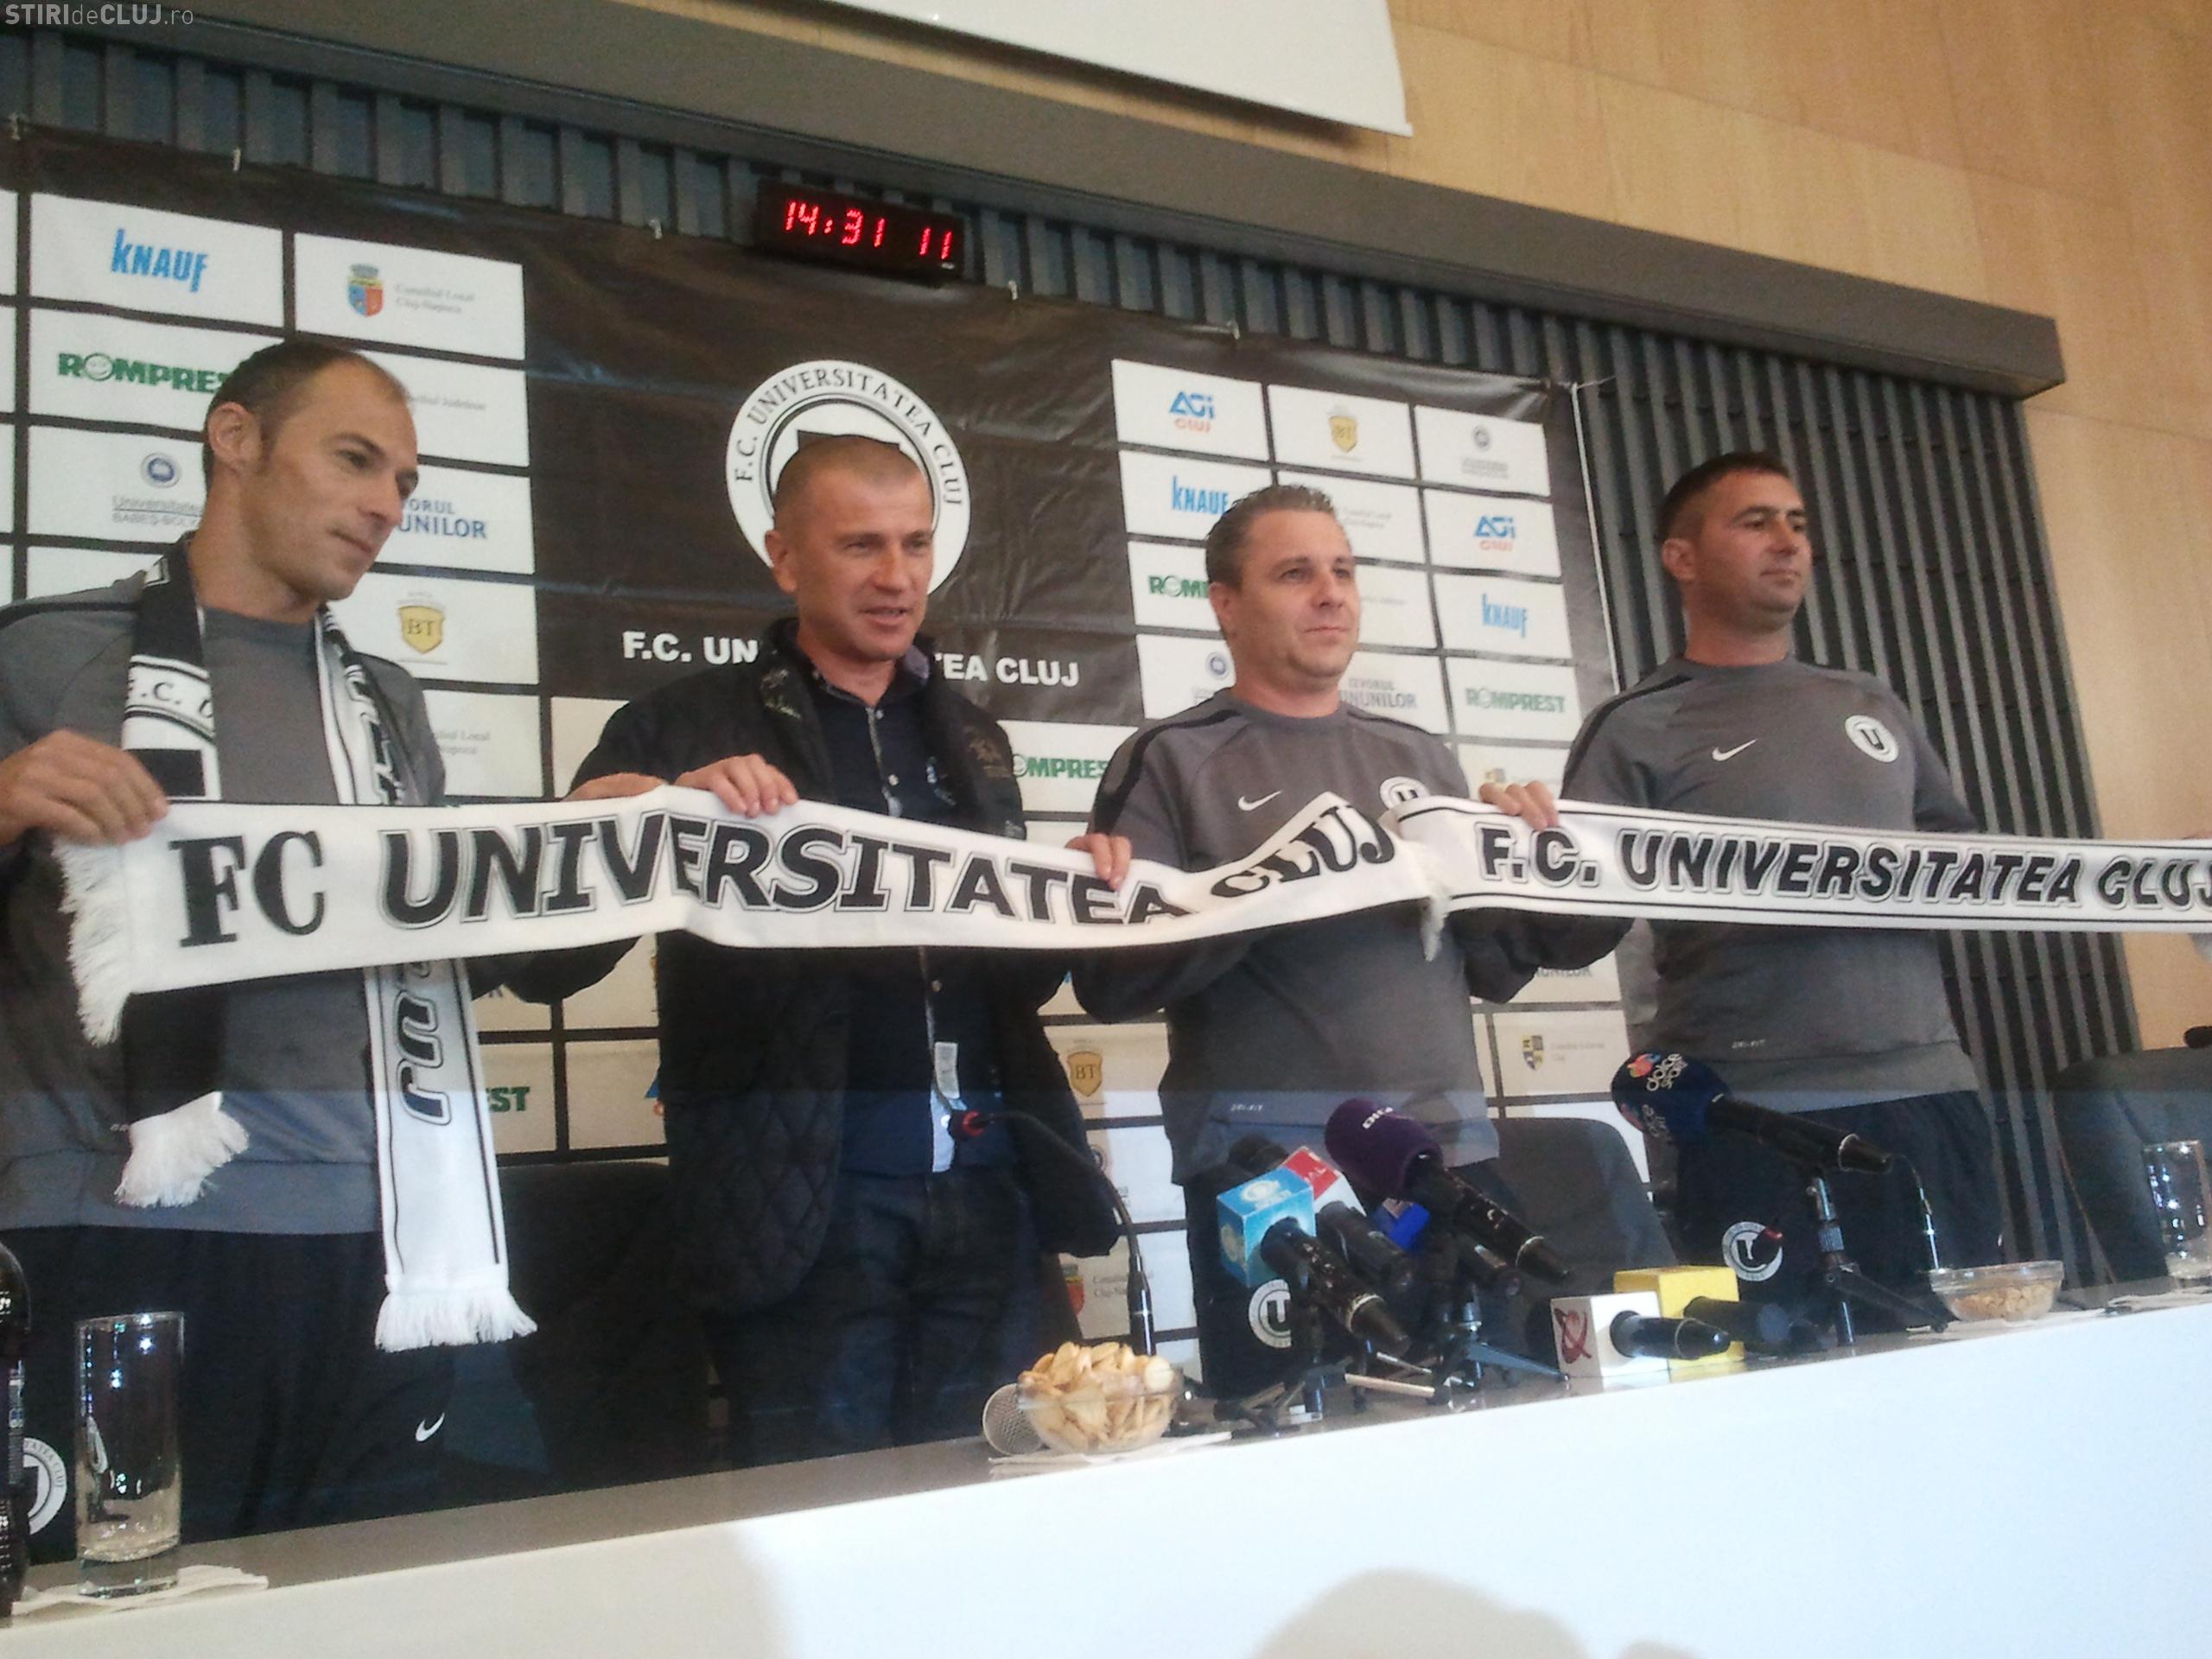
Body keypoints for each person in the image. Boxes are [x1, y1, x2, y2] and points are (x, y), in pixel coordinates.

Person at [507, 435, 1125, 1465]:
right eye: (860, 545)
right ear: (783, 558)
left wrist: (1066, 903)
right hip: (802, 1211)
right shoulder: (680, 724)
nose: (897, 577)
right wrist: (624, 823)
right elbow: (543, 967)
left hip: (992, 1194)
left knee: (1001, 1513)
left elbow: (1000, 985)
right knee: (818, 1518)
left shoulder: (974, 736)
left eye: (916, 544)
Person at [0, 340, 499, 1554]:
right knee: (114, 1618)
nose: (386, 506)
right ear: (235, 440)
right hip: (114, 1230)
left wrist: (623, 842)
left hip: (374, 1243)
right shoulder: (43, 652)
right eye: (354, 460)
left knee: (359, 1610)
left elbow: (432, 945)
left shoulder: (387, 702)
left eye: (404, 482)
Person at [1072, 483, 1579, 1395]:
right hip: (1275, 1179)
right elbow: (1110, 981)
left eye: (1343, 570)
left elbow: (1496, 965)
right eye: (1295, 573)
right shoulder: (1173, 759)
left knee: (1482, 1427)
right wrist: (1273, 885)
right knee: (1298, 1438)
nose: (1330, 593)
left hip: (1440, 1165)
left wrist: (1534, 868)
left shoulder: (1421, 757)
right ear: (1226, 604)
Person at [1557, 449, 2002, 1317]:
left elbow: (1971, 868)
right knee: (1780, 1358)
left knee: (1960, 1351)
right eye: (1755, 521)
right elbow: (1572, 932)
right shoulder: (1636, 726)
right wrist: (1525, 848)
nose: (1788, 541)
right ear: (1681, 557)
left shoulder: (1870, 703)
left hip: (1926, 1088)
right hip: (1750, 1112)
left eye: (1796, 522)